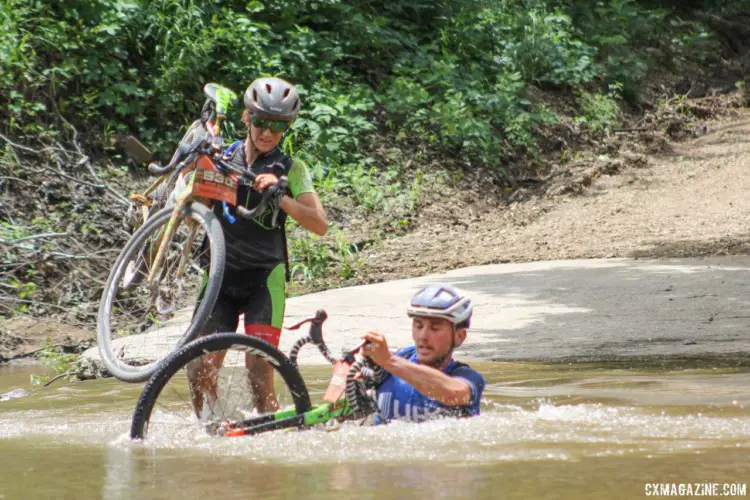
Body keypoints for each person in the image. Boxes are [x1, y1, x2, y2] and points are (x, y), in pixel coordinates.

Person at [187, 77, 327, 415]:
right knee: (198, 370)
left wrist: (282, 198)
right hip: (219, 278)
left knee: (259, 375)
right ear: (247, 119)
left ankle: (270, 442)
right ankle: (211, 431)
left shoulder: (292, 169)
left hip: (264, 280)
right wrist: (199, 184)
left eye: (278, 128)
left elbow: (319, 225)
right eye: (262, 122)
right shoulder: (223, 156)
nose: (267, 133)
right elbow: (195, 213)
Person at [362, 284, 485, 424]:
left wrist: (389, 361)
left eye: (435, 328)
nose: (423, 336)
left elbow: (454, 394)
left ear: (459, 336)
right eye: (418, 326)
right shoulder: (393, 361)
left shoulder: (468, 378)